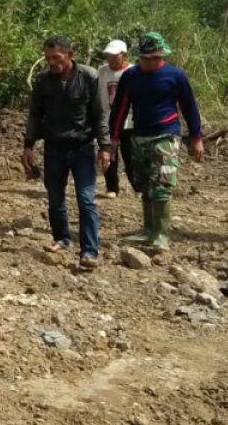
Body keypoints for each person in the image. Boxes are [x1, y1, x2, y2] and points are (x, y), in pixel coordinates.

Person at [21, 36, 111, 270]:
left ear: (69, 55)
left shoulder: (89, 77)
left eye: (57, 57)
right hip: (54, 147)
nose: (52, 62)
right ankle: (61, 238)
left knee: (86, 199)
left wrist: (105, 147)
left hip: (82, 148)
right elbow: (35, 115)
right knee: (55, 198)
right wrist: (28, 145)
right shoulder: (43, 81)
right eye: (48, 58)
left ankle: (89, 251)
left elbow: (100, 114)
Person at [108, 32, 204, 250]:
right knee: (144, 184)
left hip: (166, 134)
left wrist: (196, 137)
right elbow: (120, 109)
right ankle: (148, 230)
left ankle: (161, 235)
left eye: (157, 57)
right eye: (148, 58)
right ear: (141, 57)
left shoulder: (175, 76)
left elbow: (189, 107)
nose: (153, 61)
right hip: (139, 135)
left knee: (161, 183)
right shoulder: (131, 77)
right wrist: (113, 140)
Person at [97, 39, 137, 199]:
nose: (112, 59)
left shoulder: (134, 71)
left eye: (115, 55)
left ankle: (137, 186)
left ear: (124, 55)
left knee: (130, 155)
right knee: (108, 154)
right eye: (109, 56)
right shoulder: (102, 71)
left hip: (130, 119)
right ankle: (111, 187)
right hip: (108, 118)